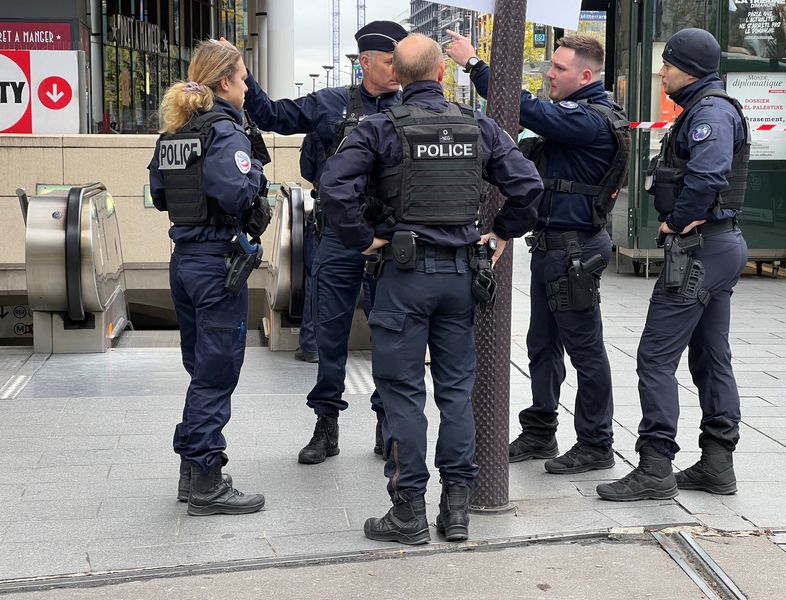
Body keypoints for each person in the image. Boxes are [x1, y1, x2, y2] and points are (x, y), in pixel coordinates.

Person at [320, 33, 543, 545]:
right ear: (443, 74)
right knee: (456, 395)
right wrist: (501, 231)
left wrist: (364, 240)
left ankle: (408, 512)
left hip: (403, 276)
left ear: (395, 76)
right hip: (461, 278)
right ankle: (457, 511)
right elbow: (528, 185)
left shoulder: (380, 127)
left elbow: (334, 188)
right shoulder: (477, 124)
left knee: (403, 394)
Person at [222, 21, 408, 464]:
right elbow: (271, 116)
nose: (397, 70)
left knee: (392, 335)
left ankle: (389, 426)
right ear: (364, 62)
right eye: (388, 62)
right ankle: (326, 426)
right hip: (340, 237)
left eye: (401, 62)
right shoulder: (330, 104)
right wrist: (240, 68)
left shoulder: (411, 108)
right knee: (330, 335)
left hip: (388, 239)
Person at [448, 32, 629, 474]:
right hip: (553, 249)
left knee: (584, 349)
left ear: (585, 76)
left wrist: (474, 65)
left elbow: (522, 107)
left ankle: (596, 443)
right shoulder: (576, 118)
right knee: (542, 346)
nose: (550, 73)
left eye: (559, 69)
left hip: (575, 251)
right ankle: (540, 430)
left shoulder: (591, 119)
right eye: (551, 65)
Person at [597, 28, 749, 501]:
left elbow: (707, 175)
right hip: (718, 246)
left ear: (690, 69)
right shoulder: (708, 109)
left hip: (700, 248)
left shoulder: (711, 112)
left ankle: (655, 466)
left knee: (655, 357)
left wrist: (676, 224)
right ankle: (717, 464)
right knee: (709, 354)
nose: (661, 71)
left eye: (668, 63)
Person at [148, 40, 266, 516]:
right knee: (217, 372)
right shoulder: (224, 130)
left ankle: (189, 469)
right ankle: (206, 481)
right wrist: (255, 169)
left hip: (185, 261)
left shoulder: (176, 132)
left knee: (202, 369)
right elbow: (234, 190)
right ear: (224, 83)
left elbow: (159, 195)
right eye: (242, 78)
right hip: (219, 262)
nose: (246, 87)